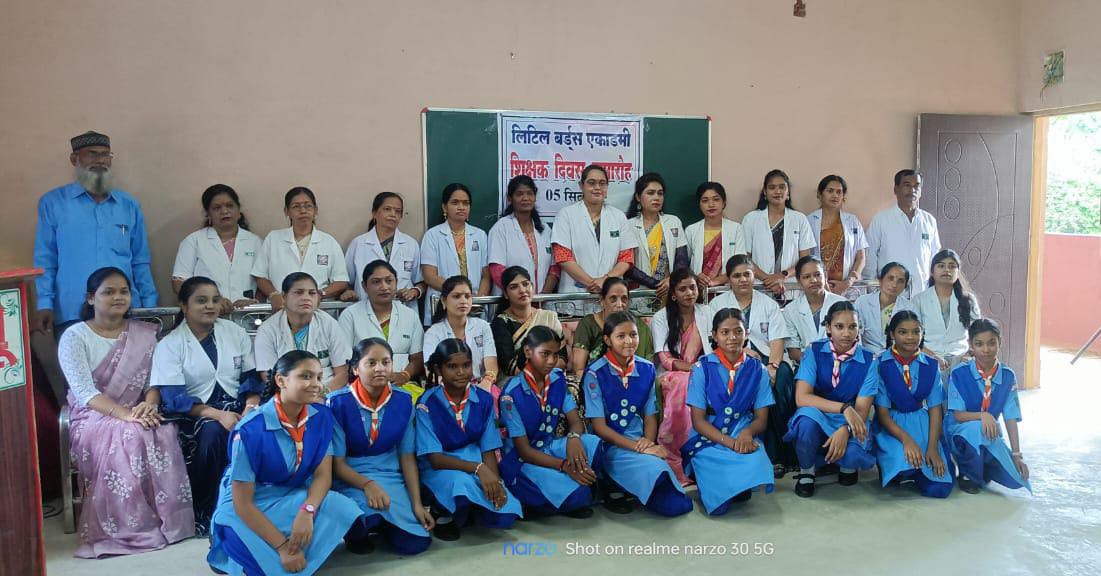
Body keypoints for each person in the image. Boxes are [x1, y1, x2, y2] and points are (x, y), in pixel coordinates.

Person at [57, 267, 193, 557]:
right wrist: (127, 415)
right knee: (130, 433)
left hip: (137, 409)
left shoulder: (144, 335)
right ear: (91, 298)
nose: (118, 297)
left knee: (164, 430)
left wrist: (150, 405)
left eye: (123, 291)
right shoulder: (74, 336)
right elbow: (84, 392)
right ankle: (130, 525)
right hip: (91, 416)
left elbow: (153, 382)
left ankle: (169, 522)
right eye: (108, 292)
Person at [207, 351, 360, 575]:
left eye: (319, 377)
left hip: (291, 494)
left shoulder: (321, 417)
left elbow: (322, 475)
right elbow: (243, 504)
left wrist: (307, 511)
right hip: (251, 502)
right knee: (271, 566)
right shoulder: (249, 430)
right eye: (305, 376)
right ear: (281, 380)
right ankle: (228, 545)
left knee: (341, 506)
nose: (316, 384)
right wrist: (282, 547)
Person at [151, 276, 263, 534]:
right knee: (213, 432)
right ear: (184, 306)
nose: (210, 306)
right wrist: (218, 415)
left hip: (238, 405)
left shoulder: (234, 332)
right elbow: (174, 398)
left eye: (214, 300)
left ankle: (256, 508)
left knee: (260, 428)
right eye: (201, 301)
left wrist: (250, 408)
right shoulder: (170, 344)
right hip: (193, 413)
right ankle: (209, 512)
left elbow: (252, 378)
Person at [34, 131, 158, 332]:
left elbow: (140, 260)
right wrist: (44, 303)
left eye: (105, 154)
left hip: (124, 311)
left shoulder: (128, 205)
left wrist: (150, 306)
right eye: (92, 154)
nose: (100, 160)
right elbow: (45, 259)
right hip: (71, 310)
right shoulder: (53, 203)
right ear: (74, 159)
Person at [329, 338, 433, 556]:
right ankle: (360, 529)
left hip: (390, 475)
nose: (380, 369)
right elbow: (336, 464)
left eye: (386, 362)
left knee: (416, 544)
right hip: (350, 477)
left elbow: (407, 458)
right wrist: (368, 484)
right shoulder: (337, 403)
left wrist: (416, 504)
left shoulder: (404, 401)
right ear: (355, 369)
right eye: (371, 363)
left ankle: (385, 525)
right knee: (361, 521)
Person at [584, 312, 693, 516]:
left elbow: (650, 415)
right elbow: (599, 427)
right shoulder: (595, 373)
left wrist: (648, 442)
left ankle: (632, 485)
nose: (629, 341)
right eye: (621, 336)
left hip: (640, 443)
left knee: (678, 503)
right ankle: (609, 483)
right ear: (607, 340)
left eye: (633, 335)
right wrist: (640, 448)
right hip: (610, 446)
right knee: (666, 495)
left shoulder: (647, 368)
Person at [417, 339, 522, 540]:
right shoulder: (426, 404)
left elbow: (488, 447)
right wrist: (479, 469)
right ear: (438, 369)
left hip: (476, 465)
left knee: (504, 517)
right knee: (460, 485)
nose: (461, 372)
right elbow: (435, 459)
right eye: (452, 367)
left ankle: (468, 509)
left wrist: (495, 480)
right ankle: (442, 512)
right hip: (443, 469)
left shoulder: (483, 399)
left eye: (466, 365)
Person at [498, 326, 603, 518]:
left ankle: (565, 490)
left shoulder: (557, 379)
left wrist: (573, 437)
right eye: (545, 354)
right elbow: (524, 451)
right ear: (528, 351)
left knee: (594, 444)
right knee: (580, 494)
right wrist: (564, 465)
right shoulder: (511, 394)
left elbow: (575, 420)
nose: (551, 361)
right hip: (523, 460)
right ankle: (534, 499)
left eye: (555, 355)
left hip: (550, 446)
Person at [707, 254, 797, 476]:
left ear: (753, 276)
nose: (743, 280)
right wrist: (740, 352)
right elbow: (714, 341)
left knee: (782, 380)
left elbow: (777, 340)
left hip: (769, 359)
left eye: (747, 274)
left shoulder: (768, 304)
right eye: (736, 276)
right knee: (756, 391)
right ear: (729, 279)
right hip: (733, 359)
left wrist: (773, 367)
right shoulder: (717, 304)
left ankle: (787, 450)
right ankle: (772, 455)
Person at [682, 308, 776, 515]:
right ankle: (712, 478)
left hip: (741, 431)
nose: (732, 337)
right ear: (715, 335)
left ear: (746, 333)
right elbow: (698, 421)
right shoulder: (701, 368)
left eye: (738, 331)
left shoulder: (758, 369)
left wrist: (747, 433)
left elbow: (761, 419)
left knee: (758, 462)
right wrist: (731, 443)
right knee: (719, 508)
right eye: (725, 332)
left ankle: (734, 482)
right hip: (709, 437)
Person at [783, 301, 877, 497]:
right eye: (839, 327)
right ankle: (807, 470)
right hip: (819, 414)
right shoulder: (814, 351)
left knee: (853, 454)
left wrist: (846, 429)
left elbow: (861, 410)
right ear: (828, 327)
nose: (846, 333)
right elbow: (802, 397)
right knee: (805, 422)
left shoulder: (869, 360)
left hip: (850, 420)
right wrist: (844, 408)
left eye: (852, 327)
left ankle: (846, 464)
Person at [869, 311, 953, 498]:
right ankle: (896, 469)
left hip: (922, 423)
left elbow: (935, 410)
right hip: (892, 425)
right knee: (904, 461)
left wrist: (932, 447)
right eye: (903, 332)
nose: (910, 337)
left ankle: (916, 469)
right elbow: (882, 414)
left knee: (939, 488)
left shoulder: (931, 365)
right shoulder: (880, 364)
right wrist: (906, 441)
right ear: (892, 334)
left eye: (916, 332)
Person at [946, 319, 1031, 494]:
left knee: (1016, 478)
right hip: (959, 433)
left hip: (988, 433)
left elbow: (1010, 417)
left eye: (991, 343)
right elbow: (958, 415)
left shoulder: (1008, 376)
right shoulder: (959, 373)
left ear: (1000, 342)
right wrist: (982, 415)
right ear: (971, 345)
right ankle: (967, 474)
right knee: (976, 429)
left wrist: (1017, 454)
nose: (986, 350)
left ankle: (983, 467)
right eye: (979, 344)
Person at [648, 268, 711, 484]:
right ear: (673, 294)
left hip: (704, 370)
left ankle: (701, 459)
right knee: (684, 382)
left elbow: (715, 346)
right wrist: (693, 369)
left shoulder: (706, 312)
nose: (689, 293)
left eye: (692, 288)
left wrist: (701, 370)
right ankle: (673, 455)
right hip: (671, 373)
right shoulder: (661, 317)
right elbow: (664, 358)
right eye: (682, 289)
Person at [252, 187, 350, 311]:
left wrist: (320, 294)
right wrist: (273, 295)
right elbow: (260, 275)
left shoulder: (329, 242)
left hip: (319, 311)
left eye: (308, 206)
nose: (303, 210)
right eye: (296, 206)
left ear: (315, 210)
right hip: (282, 309)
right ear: (286, 211)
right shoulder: (273, 239)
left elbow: (341, 281)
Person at [253, 272, 352, 393]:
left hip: (326, 393)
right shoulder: (268, 330)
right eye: (298, 292)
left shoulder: (329, 324)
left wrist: (322, 394)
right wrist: (296, 398)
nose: (306, 297)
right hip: (287, 396)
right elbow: (268, 377)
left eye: (312, 293)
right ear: (284, 296)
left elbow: (343, 373)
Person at [171, 184, 261, 313]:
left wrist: (254, 302)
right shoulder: (193, 241)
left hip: (246, 315)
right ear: (208, 214)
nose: (224, 211)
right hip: (206, 314)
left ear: (238, 211)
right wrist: (211, 300)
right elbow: (179, 283)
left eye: (229, 206)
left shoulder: (255, 242)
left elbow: (263, 282)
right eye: (217, 208)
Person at [338, 260, 424, 391]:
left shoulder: (410, 315)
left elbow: (417, 358)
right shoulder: (350, 315)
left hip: (403, 386)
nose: (384, 287)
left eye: (389, 281)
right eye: (376, 282)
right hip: (363, 386)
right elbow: (344, 360)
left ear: (396, 282)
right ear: (364, 286)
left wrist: (404, 375)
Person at [551, 165, 638, 294]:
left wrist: (605, 281)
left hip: (611, 294)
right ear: (581, 186)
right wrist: (592, 283)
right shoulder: (566, 215)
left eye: (602, 183)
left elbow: (627, 258)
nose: (597, 187)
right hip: (575, 293)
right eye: (591, 183)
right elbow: (562, 256)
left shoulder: (618, 216)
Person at [421, 183, 491, 323]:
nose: (461, 207)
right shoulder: (432, 235)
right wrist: (459, 294)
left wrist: (478, 300)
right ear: (444, 207)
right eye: (455, 202)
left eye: (466, 203)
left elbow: (486, 276)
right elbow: (429, 276)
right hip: (443, 303)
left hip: (474, 304)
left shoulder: (480, 235)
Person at [741, 170, 816, 299]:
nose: (777, 191)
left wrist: (782, 275)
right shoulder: (751, 219)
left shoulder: (799, 219)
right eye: (772, 187)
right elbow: (745, 258)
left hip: (791, 288)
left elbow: (805, 260)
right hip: (760, 287)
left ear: (788, 192)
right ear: (765, 192)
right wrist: (768, 279)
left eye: (782, 187)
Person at [343, 192, 425, 309]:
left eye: (398, 211)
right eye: (387, 209)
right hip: (365, 309)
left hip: (403, 310)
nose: (393, 214)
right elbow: (346, 281)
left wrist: (414, 291)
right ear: (374, 213)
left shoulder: (411, 244)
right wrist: (347, 292)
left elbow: (421, 282)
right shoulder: (358, 244)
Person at [865, 170, 941, 293]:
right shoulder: (881, 219)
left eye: (916, 186)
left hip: (921, 293)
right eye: (907, 185)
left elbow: (935, 258)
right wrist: (873, 289)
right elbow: (870, 256)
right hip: (889, 294)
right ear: (896, 189)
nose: (912, 190)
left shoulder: (929, 221)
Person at [912, 249, 980, 379]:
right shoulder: (919, 300)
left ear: (958, 273)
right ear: (932, 272)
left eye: (952, 266)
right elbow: (913, 337)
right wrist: (932, 356)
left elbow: (978, 332)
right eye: (941, 266)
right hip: (928, 356)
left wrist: (970, 354)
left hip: (961, 356)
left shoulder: (968, 300)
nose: (947, 270)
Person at [571, 277, 655, 381]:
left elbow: (646, 368)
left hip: (633, 382)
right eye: (613, 299)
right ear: (602, 300)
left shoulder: (638, 326)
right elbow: (579, 369)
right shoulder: (588, 324)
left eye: (624, 299)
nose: (619, 305)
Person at [423, 275, 498, 390]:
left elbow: (491, 364)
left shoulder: (482, 326)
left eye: (467, 296)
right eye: (456, 296)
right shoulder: (433, 333)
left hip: (482, 386)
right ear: (443, 300)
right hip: (446, 389)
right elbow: (431, 371)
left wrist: (487, 382)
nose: (463, 301)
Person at [488, 175, 560, 294]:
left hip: (542, 301)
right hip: (512, 300)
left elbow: (554, 269)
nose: (525, 198)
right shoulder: (501, 228)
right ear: (510, 198)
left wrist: (543, 296)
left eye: (529, 193)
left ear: (535, 197)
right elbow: (496, 269)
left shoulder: (545, 229)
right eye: (519, 194)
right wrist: (522, 295)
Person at [490, 266, 566, 377]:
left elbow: (562, 358)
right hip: (516, 381)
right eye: (514, 287)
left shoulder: (549, 317)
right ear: (506, 294)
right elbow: (509, 367)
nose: (522, 290)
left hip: (551, 378)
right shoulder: (501, 323)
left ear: (532, 287)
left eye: (525, 284)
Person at [624, 173, 689, 300]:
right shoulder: (628, 225)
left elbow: (682, 259)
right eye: (650, 193)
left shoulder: (673, 222)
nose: (656, 197)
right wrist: (656, 285)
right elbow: (627, 265)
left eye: (660, 193)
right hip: (639, 292)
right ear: (638, 197)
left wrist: (671, 280)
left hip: (669, 291)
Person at [806, 175, 867, 297]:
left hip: (847, 288)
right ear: (820, 194)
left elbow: (861, 258)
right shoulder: (809, 221)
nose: (835, 195)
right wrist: (821, 282)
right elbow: (805, 258)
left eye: (839, 192)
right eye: (830, 191)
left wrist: (848, 281)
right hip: (818, 286)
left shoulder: (852, 221)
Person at [783, 256, 847, 364]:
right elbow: (793, 349)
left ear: (825, 276)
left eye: (817, 275)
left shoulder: (842, 304)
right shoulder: (790, 310)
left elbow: (851, 341)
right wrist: (813, 364)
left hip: (839, 363)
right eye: (807, 277)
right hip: (807, 364)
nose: (813, 280)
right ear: (799, 281)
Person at [685, 182, 746, 290]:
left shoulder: (736, 229)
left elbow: (740, 263)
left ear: (724, 202)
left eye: (716, 199)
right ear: (699, 204)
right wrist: (696, 277)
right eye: (705, 200)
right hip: (697, 290)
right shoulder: (691, 230)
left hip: (728, 289)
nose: (711, 204)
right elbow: (684, 264)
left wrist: (716, 281)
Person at [853, 262, 913, 355]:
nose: (894, 284)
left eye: (900, 281)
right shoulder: (862, 302)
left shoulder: (909, 308)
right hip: (866, 353)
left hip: (897, 355)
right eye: (890, 278)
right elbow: (855, 333)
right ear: (880, 280)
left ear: (905, 286)